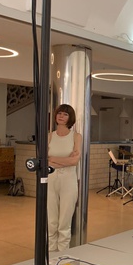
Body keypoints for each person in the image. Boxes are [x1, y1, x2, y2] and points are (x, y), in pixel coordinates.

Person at [47, 104, 82, 252]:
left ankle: (62, 256)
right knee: (51, 221)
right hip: (50, 179)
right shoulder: (49, 136)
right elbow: (44, 161)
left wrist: (53, 159)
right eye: (59, 113)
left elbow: (74, 161)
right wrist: (65, 160)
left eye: (65, 114)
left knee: (64, 222)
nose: (61, 116)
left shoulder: (76, 136)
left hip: (68, 180)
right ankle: (50, 255)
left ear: (70, 118)